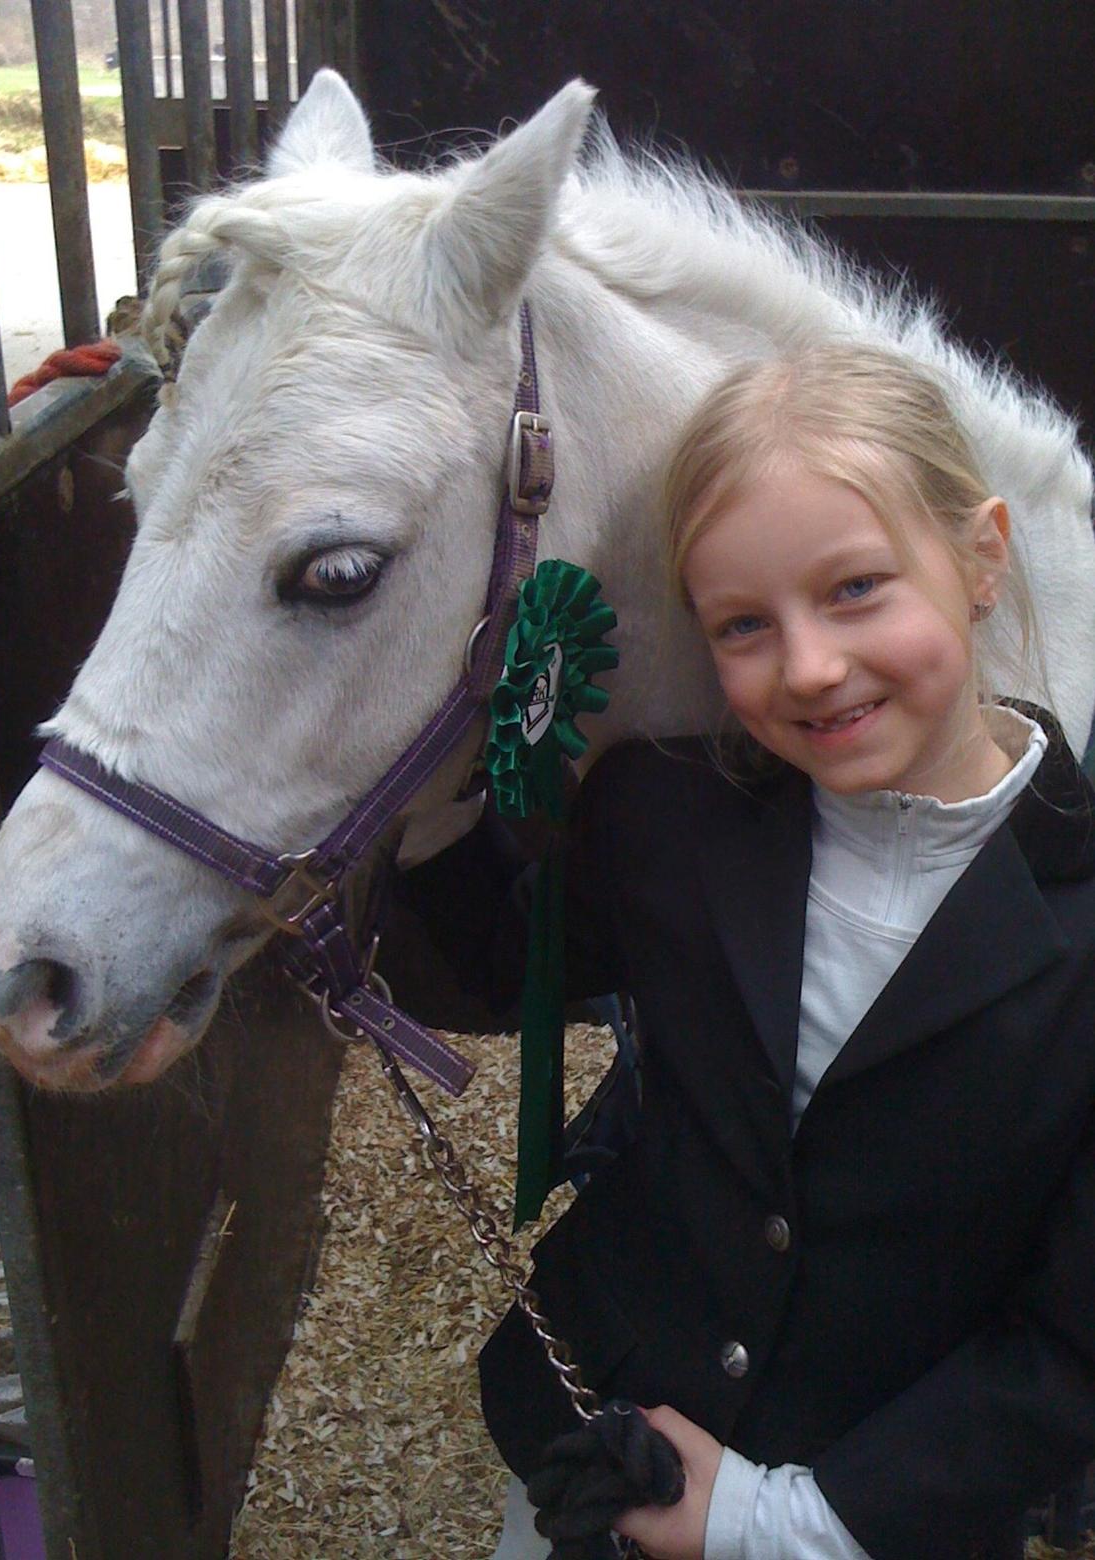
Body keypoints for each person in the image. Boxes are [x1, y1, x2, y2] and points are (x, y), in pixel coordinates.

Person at [474, 342, 1095, 1560]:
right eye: (745, 624)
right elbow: (499, 960)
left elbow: (1071, 1345)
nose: (809, 667)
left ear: (981, 557)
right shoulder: (658, 814)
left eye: (858, 588)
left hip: (872, 1514)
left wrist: (774, 1522)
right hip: (599, 1440)